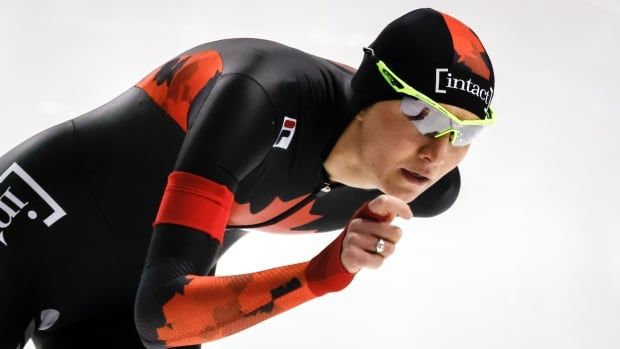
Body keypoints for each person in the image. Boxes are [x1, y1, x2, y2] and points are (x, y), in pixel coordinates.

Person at [0, 7, 496, 349]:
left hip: (126, 300)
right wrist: (325, 273)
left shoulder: (426, 184)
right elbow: (161, 312)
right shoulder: (260, 99)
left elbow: (154, 319)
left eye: (464, 132)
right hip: (31, 222)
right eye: (424, 116)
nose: (437, 152)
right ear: (368, 97)